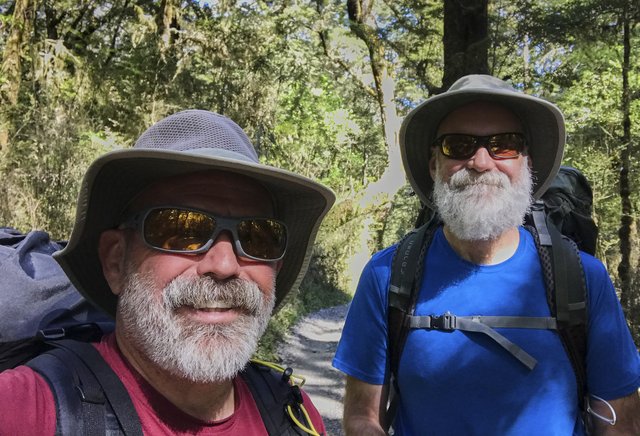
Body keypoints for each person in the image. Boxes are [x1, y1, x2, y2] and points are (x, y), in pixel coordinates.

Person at [333, 75, 640, 435]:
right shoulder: (388, 276)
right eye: (458, 145)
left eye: (504, 144)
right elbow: (361, 416)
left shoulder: (583, 279)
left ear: (526, 163)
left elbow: (622, 423)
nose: (480, 161)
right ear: (434, 165)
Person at [0, 109, 334, 435]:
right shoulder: (25, 410)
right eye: (181, 231)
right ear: (116, 262)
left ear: (275, 266)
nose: (224, 265)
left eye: (258, 237)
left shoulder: (294, 413)